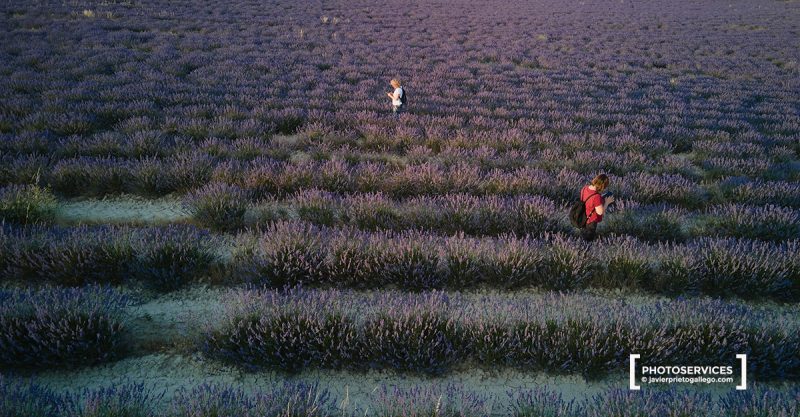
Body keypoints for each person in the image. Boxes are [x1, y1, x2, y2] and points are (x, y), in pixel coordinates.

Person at [579, 174, 615, 241]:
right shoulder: (596, 197)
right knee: (588, 239)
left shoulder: (584, 188)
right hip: (590, 221)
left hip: (582, 217)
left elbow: (586, 200)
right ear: (602, 186)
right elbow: (600, 212)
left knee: (583, 237)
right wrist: (607, 202)